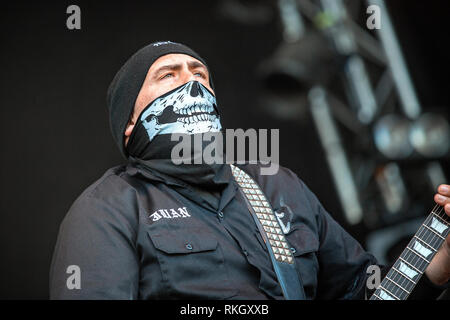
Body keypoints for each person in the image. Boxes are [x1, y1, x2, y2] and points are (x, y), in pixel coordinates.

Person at [49, 41, 450, 300]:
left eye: (200, 74)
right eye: (167, 75)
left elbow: (360, 288)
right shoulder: (107, 209)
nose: (192, 84)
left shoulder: (277, 184)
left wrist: (433, 267)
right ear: (130, 125)